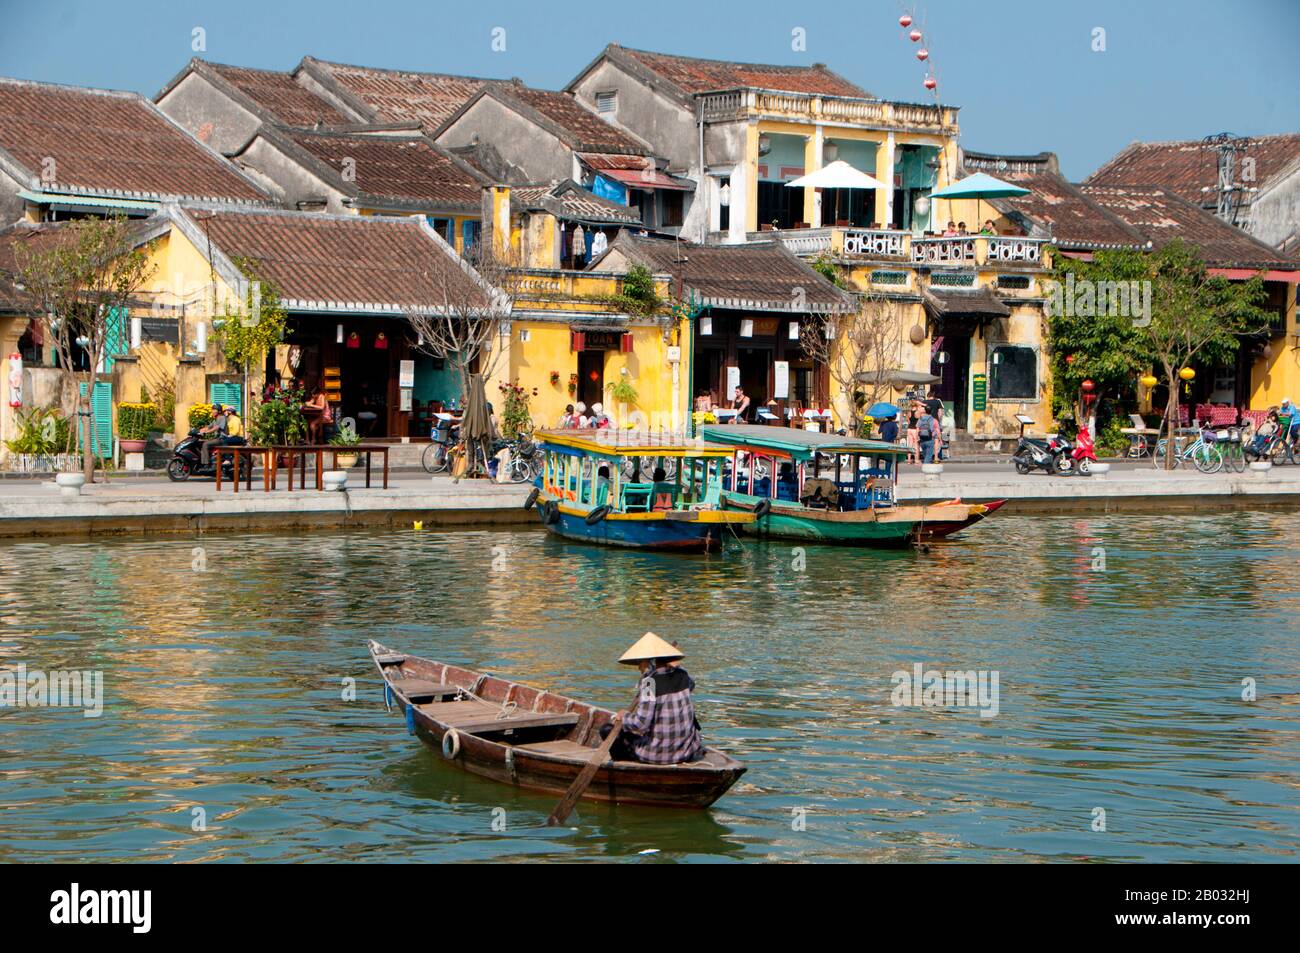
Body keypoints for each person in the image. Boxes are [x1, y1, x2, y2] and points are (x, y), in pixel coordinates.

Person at [598, 632, 703, 765]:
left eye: (640, 662)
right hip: (687, 752)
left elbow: (641, 724)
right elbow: (690, 685)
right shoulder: (683, 675)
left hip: (657, 755)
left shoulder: (649, 684)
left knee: (606, 729)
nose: (638, 667)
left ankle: (624, 763)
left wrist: (623, 717)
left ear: (650, 662)